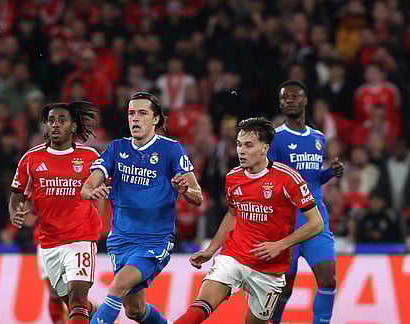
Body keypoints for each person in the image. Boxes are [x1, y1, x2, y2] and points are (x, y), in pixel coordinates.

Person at [173, 117, 324, 324]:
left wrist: (279, 245)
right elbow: (232, 214)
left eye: (248, 145)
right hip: (234, 256)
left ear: (265, 148)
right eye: (238, 144)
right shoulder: (233, 177)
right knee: (202, 305)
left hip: (270, 268)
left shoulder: (289, 179)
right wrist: (211, 250)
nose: (241, 151)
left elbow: (316, 224)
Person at [81, 91, 203, 324]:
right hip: (120, 240)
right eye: (131, 113)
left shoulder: (171, 150)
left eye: (142, 113)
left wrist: (185, 189)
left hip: (153, 241)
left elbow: (198, 197)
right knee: (134, 310)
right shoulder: (117, 148)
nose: (135, 119)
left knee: (117, 286)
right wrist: (91, 191)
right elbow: (87, 186)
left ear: (156, 119)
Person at [9, 101, 102, 324]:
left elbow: (110, 184)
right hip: (49, 242)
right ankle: (103, 315)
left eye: (62, 120)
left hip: (82, 236)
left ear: (73, 126)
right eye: (51, 121)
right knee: (71, 302)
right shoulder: (31, 159)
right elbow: (17, 195)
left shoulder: (90, 157)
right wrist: (15, 211)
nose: (55, 125)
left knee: (78, 297)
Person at [267, 80, 344, 324]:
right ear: (280, 104)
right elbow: (269, 180)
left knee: (328, 279)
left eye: (294, 96)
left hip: (316, 221)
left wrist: (330, 173)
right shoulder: (274, 139)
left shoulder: (318, 138)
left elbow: (312, 180)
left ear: (305, 100)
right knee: (284, 289)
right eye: (284, 97)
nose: (289, 100)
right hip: (286, 225)